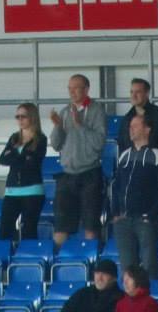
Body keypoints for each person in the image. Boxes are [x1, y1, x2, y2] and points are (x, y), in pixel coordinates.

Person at [110, 114, 158, 278]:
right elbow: (116, 186)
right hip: (123, 219)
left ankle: (151, 293)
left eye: (135, 126)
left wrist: (151, 214)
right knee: (127, 268)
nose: (131, 129)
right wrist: (115, 212)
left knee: (149, 264)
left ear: (147, 129)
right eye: (130, 126)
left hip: (145, 219)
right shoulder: (124, 155)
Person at [50, 74, 106, 247]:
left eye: (76, 88)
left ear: (86, 89)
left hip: (90, 174)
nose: (72, 92)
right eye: (70, 88)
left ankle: (91, 259)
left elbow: (99, 143)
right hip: (67, 174)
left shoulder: (96, 111)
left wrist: (81, 125)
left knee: (90, 225)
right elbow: (56, 145)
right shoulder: (65, 111)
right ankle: (60, 259)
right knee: (61, 226)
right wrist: (58, 126)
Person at [0, 102, 47, 240]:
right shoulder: (14, 137)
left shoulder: (40, 138)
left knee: (29, 229)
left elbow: (33, 162)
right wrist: (23, 158)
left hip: (32, 190)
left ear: (32, 117)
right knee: (4, 229)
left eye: (23, 116)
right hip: (12, 190)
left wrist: (14, 156)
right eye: (17, 117)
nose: (20, 120)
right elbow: (2, 159)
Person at [116, 78, 158, 159]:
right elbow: (121, 144)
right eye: (131, 92)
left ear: (147, 93)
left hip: (156, 165)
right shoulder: (126, 119)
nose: (133, 96)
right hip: (132, 164)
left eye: (138, 92)